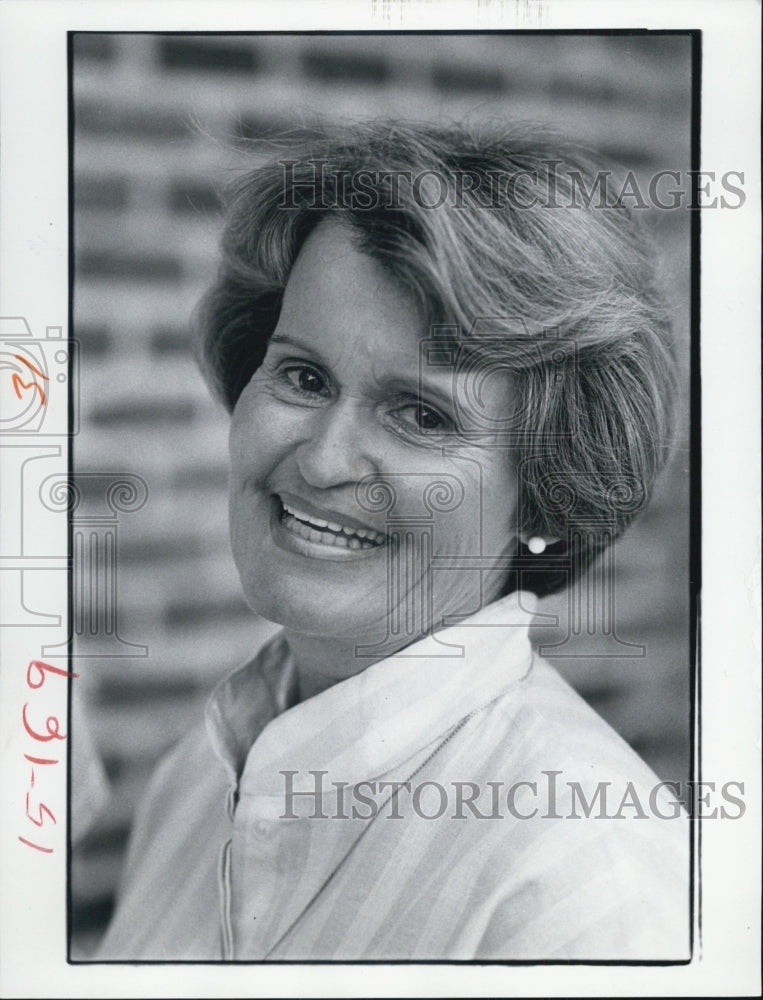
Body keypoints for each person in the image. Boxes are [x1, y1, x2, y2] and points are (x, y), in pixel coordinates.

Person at [96, 122, 689, 961]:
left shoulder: (583, 887)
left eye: (422, 416)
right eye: (303, 376)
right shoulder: (195, 778)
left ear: (549, 490)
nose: (324, 460)